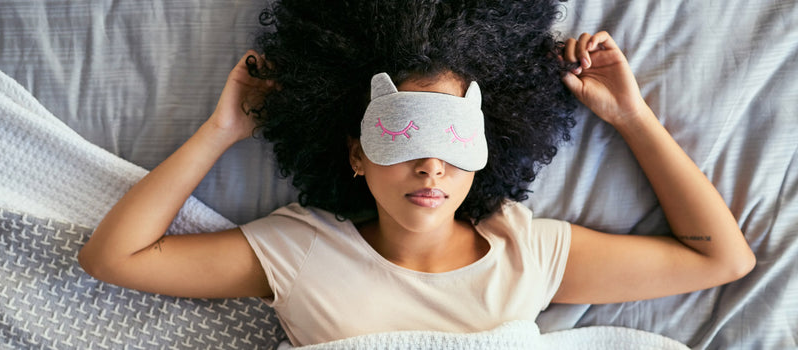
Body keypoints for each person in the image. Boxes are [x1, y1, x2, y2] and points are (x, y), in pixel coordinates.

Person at [78, 0, 755, 347]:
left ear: (488, 148)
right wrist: (223, 129)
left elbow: (721, 257)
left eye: (452, 139)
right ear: (355, 154)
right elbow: (114, 257)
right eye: (402, 135)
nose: (431, 162)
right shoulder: (298, 250)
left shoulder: (530, 251)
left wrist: (631, 116)